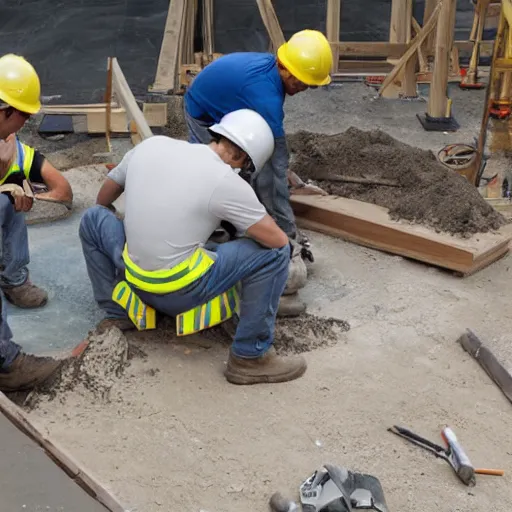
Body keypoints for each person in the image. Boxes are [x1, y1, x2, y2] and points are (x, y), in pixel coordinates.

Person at [80, 109, 307, 385]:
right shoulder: (226, 180)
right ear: (242, 158)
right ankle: (250, 356)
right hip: (180, 293)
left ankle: (118, 313)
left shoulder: (150, 146)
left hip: (133, 276)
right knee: (275, 255)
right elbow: (277, 241)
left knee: (93, 219)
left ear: (218, 135)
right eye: (245, 167)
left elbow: (104, 197)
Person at [183, 29, 333, 241]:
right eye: (301, 82)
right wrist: (286, 231)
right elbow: (273, 170)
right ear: (285, 69)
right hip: (203, 111)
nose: (304, 88)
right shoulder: (266, 97)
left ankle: (241, 213)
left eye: (310, 84)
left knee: (250, 167)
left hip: (229, 104)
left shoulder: (272, 69)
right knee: (212, 171)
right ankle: (207, 227)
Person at [0, 54, 74, 392]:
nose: (25, 124)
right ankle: (6, 365)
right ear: (6, 111)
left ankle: (14, 282)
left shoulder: (12, 146)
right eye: (24, 116)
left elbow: (63, 190)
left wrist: (10, 185)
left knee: (8, 202)